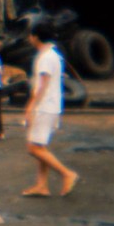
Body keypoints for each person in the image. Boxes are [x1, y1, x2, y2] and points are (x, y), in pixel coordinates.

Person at [22, 22, 79, 197]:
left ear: (35, 37)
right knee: (40, 145)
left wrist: (31, 106)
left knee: (33, 148)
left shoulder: (46, 57)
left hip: (45, 106)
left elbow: (42, 85)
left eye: (31, 35)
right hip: (51, 105)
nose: (29, 38)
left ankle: (66, 173)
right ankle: (42, 185)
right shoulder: (53, 54)